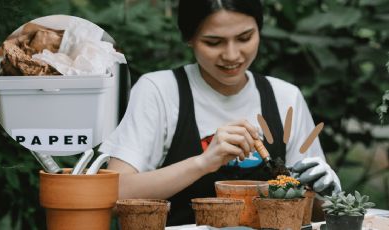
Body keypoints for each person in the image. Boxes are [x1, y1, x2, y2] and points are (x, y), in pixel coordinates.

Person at [101, 0, 341, 226]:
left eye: (245, 38)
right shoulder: (160, 91)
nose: (232, 55)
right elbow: (110, 196)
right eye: (213, 42)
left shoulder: (285, 98)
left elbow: (312, 215)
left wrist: (327, 195)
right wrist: (204, 162)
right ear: (189, 38)